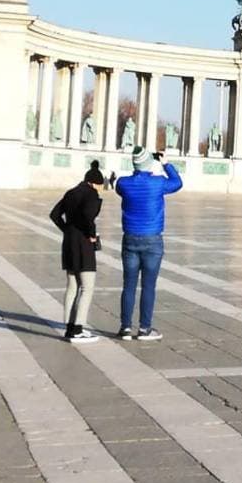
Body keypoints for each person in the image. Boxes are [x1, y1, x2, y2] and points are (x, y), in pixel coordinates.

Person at [115, 147, 182, 340]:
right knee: (148, 286)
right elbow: (177, 183)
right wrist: (166, 163)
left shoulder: (124, 183)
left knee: (128, 285)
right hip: (152, 239)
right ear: (148, 163)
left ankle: (125, 327)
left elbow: (119, 186)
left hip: (130, 238)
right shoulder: (158, 183)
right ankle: (145, 328)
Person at [49, 165, 105, 342]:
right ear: (94, 183)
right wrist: (92, 235)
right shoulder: (91, 194)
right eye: (101, 185)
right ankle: (79, 327)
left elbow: (55, 214)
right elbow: (88, 216)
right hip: (83, 243)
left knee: (72, 285)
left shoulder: (71, 192)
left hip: (69, 242)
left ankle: (69, 327)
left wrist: (66, 229)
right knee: (87, 287)